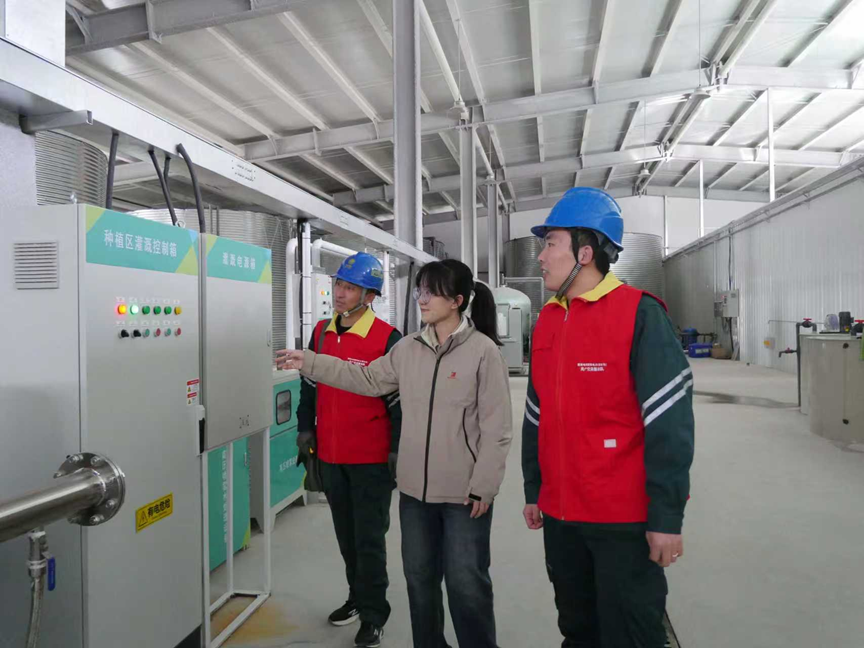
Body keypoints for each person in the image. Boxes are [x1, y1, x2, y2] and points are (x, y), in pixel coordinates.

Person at [278, 259, 512, 648]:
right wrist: (311, 361)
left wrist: (484, 485)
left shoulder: (483, 353)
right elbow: (366, 378)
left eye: (431, 292)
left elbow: (497, 428)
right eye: (421, 290)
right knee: (419, 580)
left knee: (465, 584)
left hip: (463, 494)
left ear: (457, 301)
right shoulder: (408, 349)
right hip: (414, 493)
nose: (422, 299)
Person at [521, 187, 695, 648]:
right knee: (578, 629)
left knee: (631, 634)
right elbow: (536, 414)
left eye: (550, 243)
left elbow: (670, 424)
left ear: (585, 251)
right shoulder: (549, 319)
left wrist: (666, 516)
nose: (541, 257)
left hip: (621, 520)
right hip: (561, 516)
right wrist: (534, 488)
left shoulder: (640, 314)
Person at [295, 252, 403, 648]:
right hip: (331, 455)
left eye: (350, 288)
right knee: (346, 536)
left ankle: (374, 615)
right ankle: (357, 597)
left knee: (369, 540)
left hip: (371, 458)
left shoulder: (388, 339)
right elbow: (309, 386)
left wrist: (396, 450)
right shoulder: (321, 332)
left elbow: (398, 402)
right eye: (338, 284)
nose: (339, 293)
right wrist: (306, 429)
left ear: (369, 296)